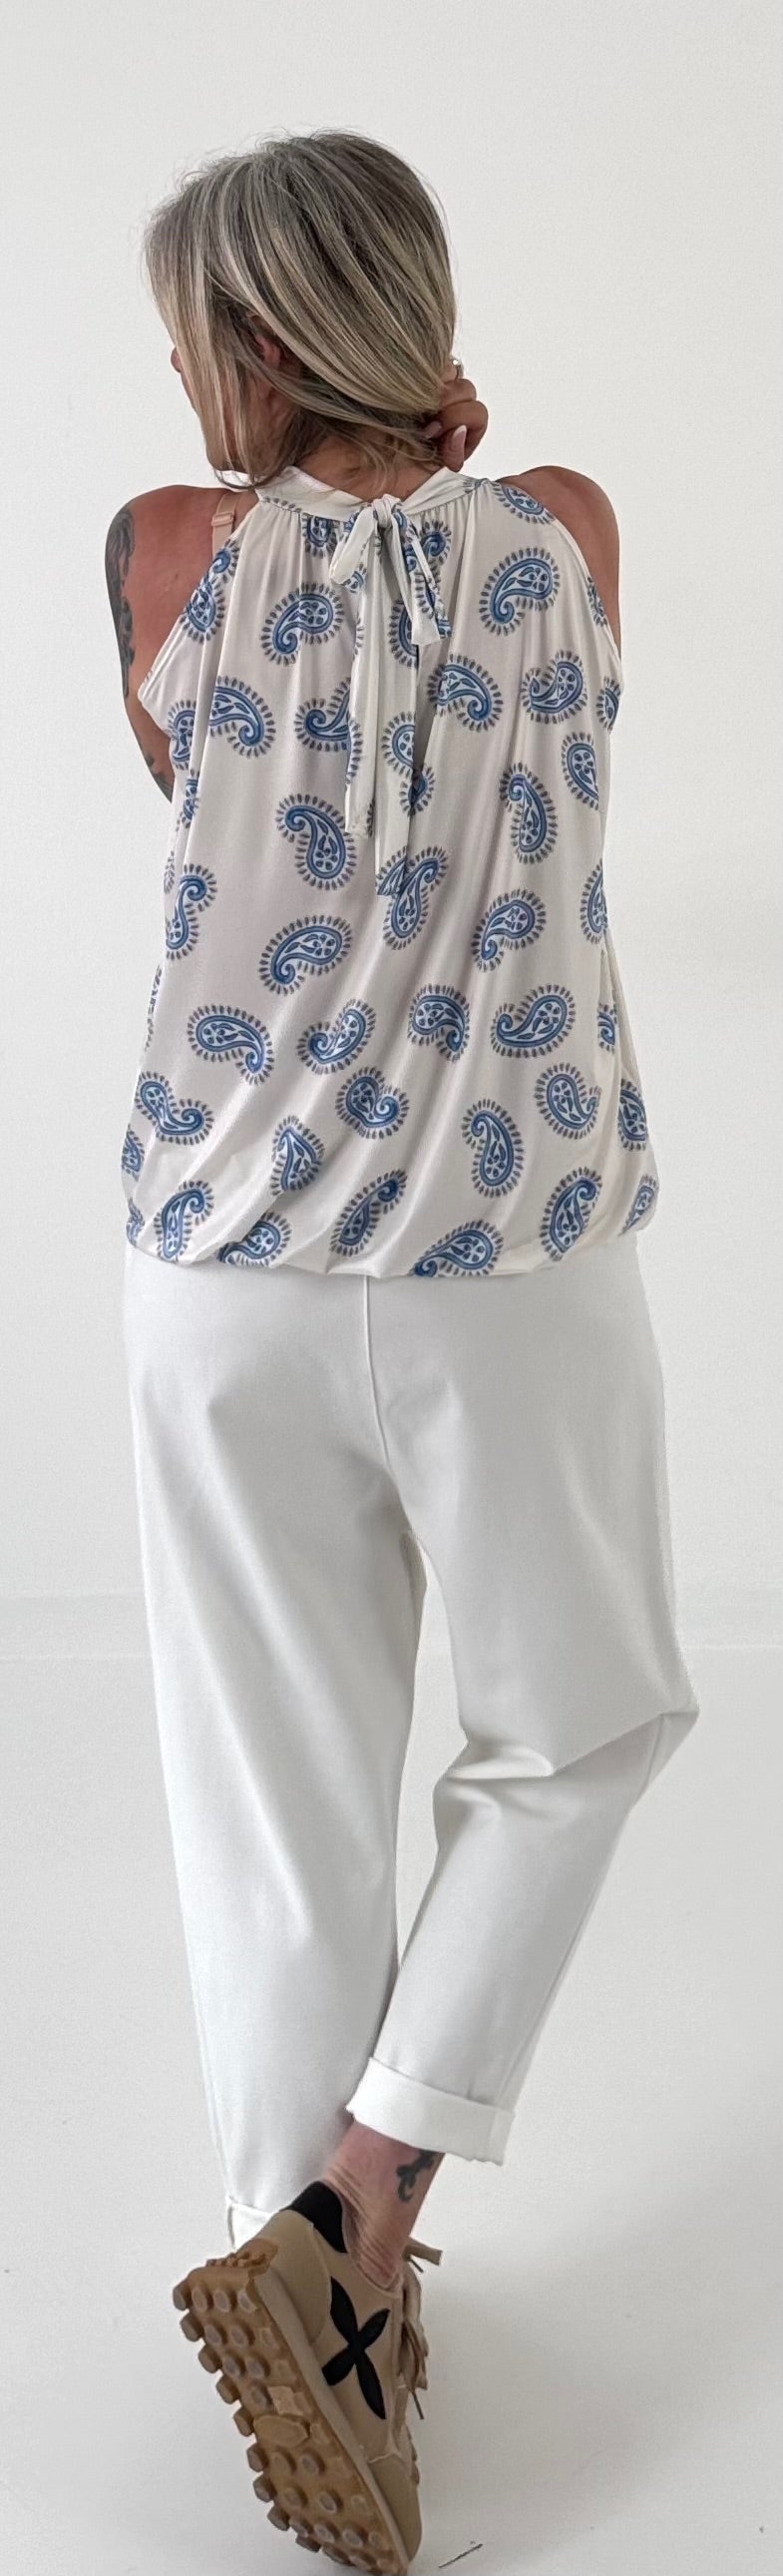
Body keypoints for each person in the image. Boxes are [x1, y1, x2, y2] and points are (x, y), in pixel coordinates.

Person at [107, 127, 700, 2574]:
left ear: (255, 347)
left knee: (274, 1810)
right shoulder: (565, 530)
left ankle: (327, 2295)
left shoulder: (164, 552)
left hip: (225, 1265)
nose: (176, 377)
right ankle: (366, 2205)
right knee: (581, 1729)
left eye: (192, 335)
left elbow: (204, 775)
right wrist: (442, 464)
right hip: (509, 1255)